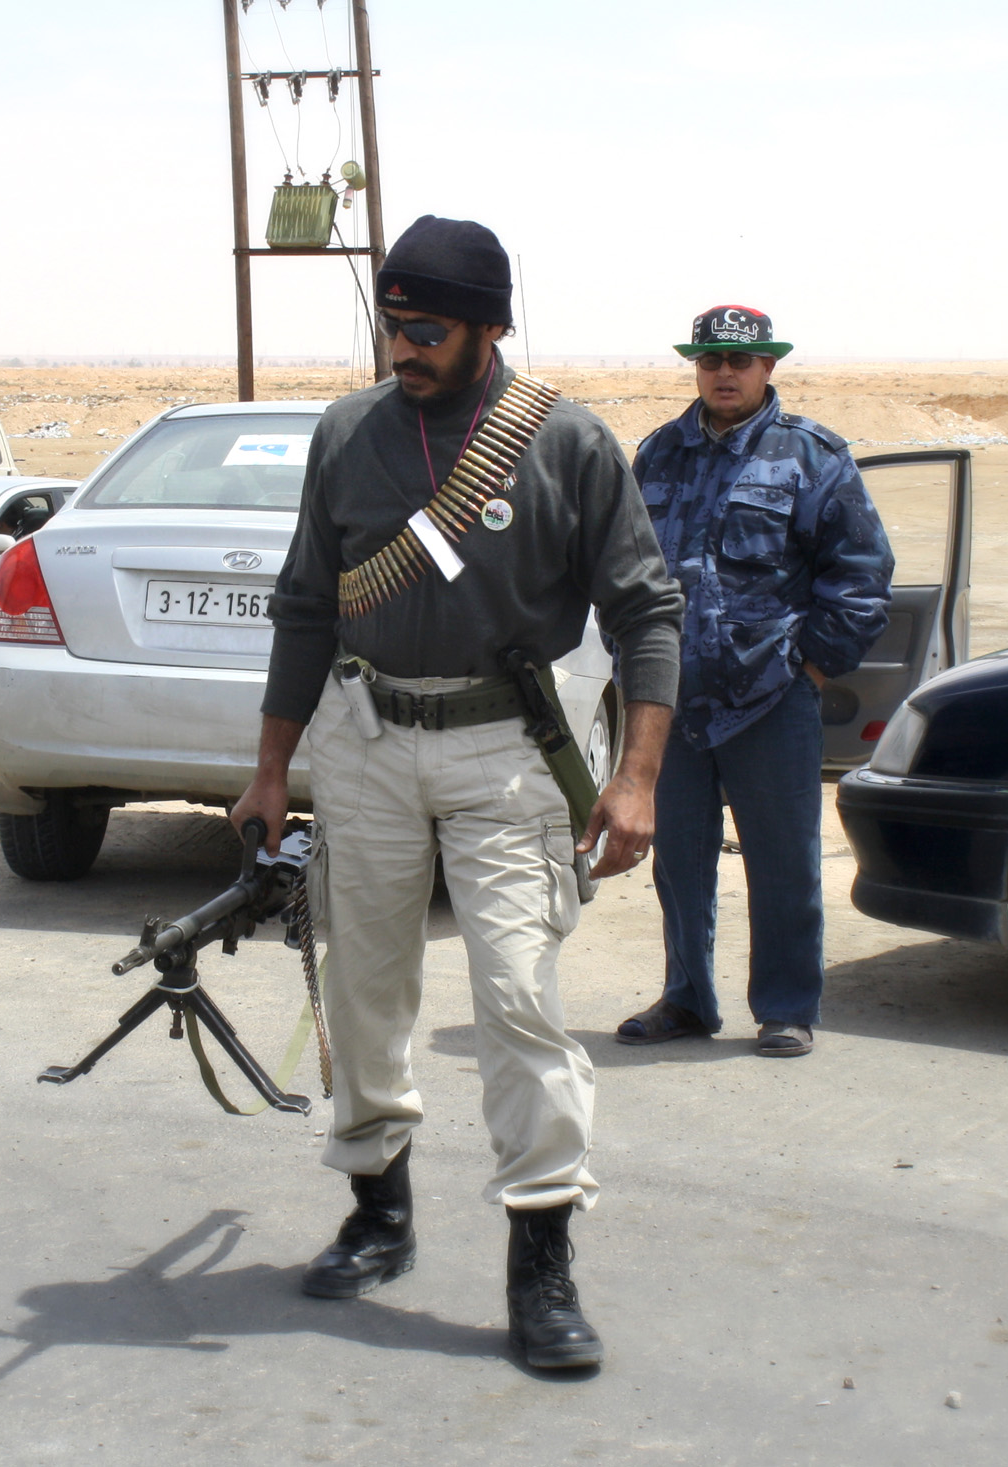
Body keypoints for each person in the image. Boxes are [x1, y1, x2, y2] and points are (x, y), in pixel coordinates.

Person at [231, 215, 685, 1369]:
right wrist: (272, 768)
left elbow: (647, 614)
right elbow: (304, 605)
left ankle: (542, 1266)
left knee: (519, 1000)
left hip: (506, 752)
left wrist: (635, 781)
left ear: (489, 326)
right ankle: (378, 1213)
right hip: (369, 741)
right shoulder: (348, 435)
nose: (401, 347)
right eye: (388, 323)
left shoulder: (568, 443)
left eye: (425, 326)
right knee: (366, 986)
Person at [617, 306, 893, 1059]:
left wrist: (810, 663)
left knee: (784, 865)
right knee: (677, 863)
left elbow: (863, 575)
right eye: (711, 363)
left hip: (771, 698)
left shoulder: (810, 455)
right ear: (696, 370)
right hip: (674, 701)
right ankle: (686, 999)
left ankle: (785, 1006)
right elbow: (627, 568)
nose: (725, 374)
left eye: (740, 361)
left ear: (768, 366)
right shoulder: (659, 455)